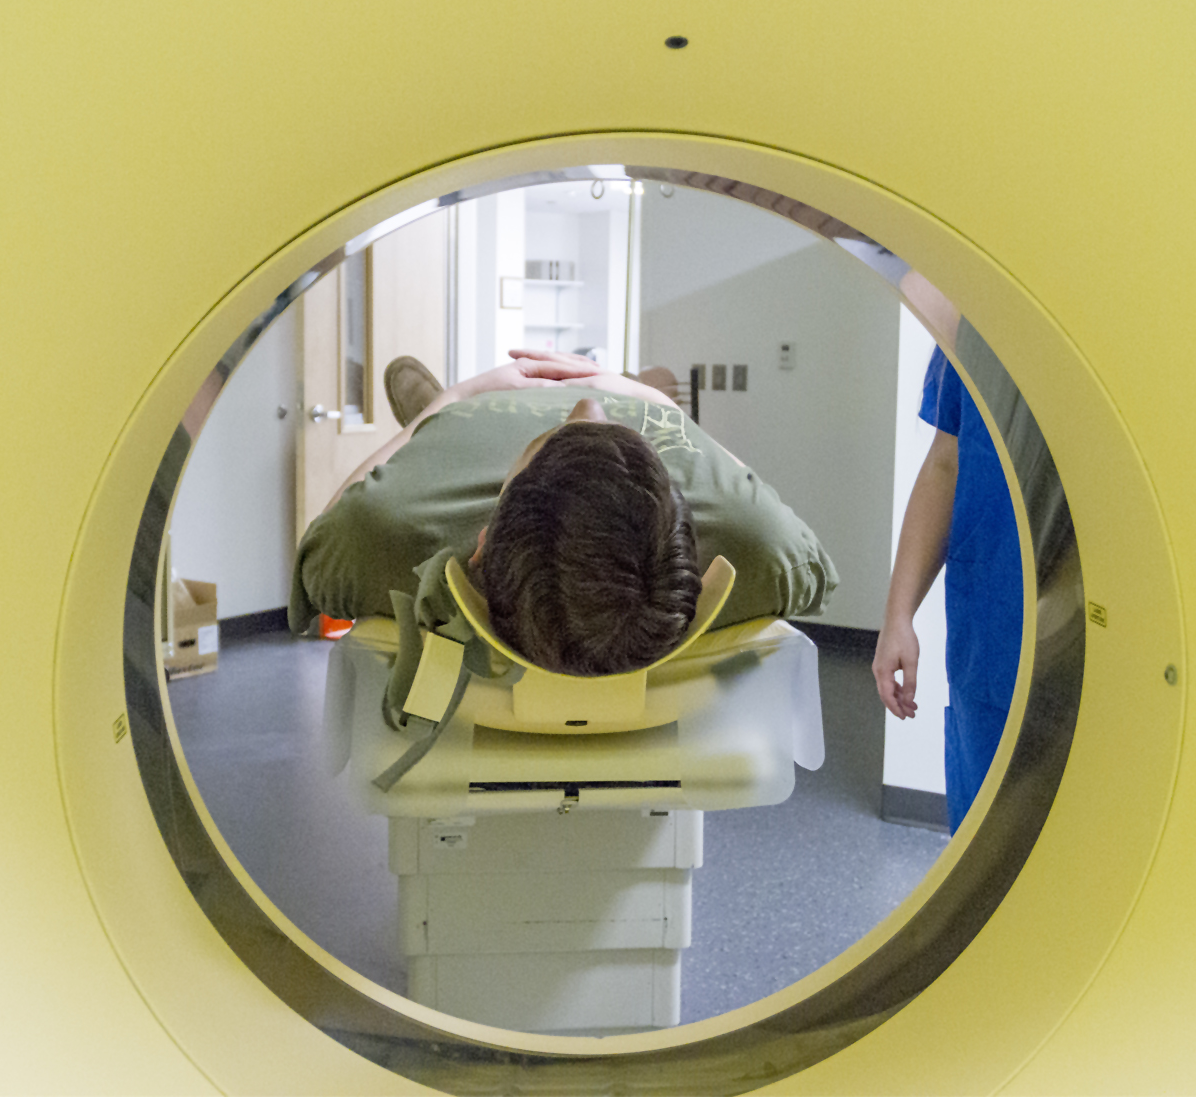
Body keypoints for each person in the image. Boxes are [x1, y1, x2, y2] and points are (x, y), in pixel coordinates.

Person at [290, 349, 838, 676]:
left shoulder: (383, 527)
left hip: (476, 418)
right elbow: (755, 495)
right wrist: (648, 402)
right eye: (605, 422)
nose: (587, 403)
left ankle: (430, 417)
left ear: (483, 544)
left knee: (429, 432)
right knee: (659, 377)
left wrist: (452, 404)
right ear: (685, 535)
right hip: (641, 408)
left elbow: (321, 542)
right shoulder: (757, 541)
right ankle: (644, 386)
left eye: (553, 437)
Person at [872, 280, 1021, 833]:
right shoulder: (979, 316)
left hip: (1097, 633)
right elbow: (946, 462)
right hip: (988, 630)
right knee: (982, 844)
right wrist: (898, 616)